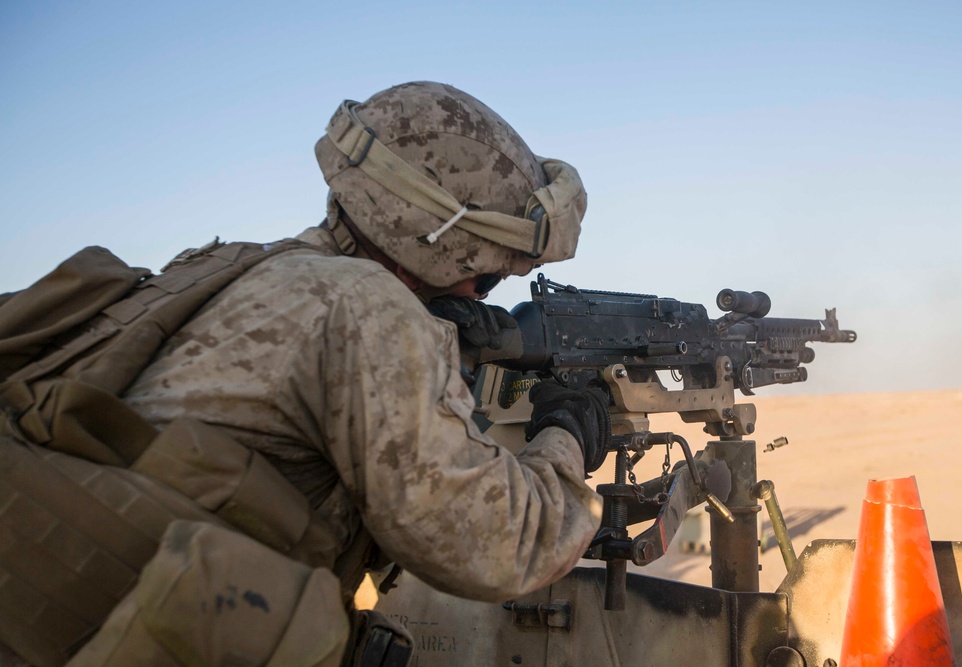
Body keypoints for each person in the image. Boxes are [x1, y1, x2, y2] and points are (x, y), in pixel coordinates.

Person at [0, 81, 609, 666]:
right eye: (489, 275)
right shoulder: (366, 308)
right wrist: (567, 434)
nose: (482, 293)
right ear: (438, 245)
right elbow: (502, 543)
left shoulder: (233, 266)